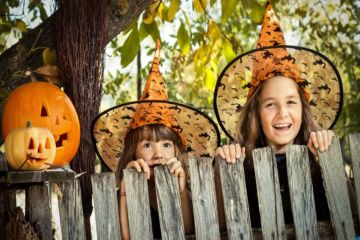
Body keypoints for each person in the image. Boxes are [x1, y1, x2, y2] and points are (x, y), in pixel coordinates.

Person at [212, 1, 356, 228]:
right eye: (270, 105)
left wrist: (328, 160)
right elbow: (220, 225)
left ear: (303, 109)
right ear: (256, 114)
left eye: (291, 102)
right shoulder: (242, 162)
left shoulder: (318, 154)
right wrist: (223, 172)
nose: (282, 113)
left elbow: (352, 214)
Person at [91, 40, 220, 239]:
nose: (158, 154)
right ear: (134, 152)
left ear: (177, 151)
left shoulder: (187, 188)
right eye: (148, 145)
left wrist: (182, 192)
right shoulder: (123, 193)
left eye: (166, 145)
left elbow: (188, 231)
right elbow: (125, 237)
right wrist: (126, 188)